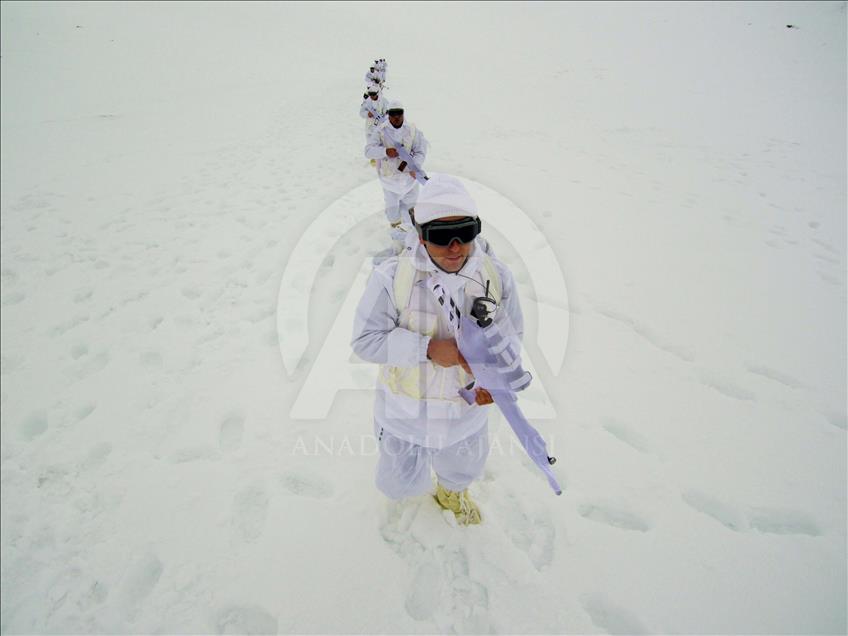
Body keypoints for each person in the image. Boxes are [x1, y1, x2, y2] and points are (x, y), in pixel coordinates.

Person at [351, 174, 524, 525]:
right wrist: (426, 348)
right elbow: (366, 339)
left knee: (462, 466)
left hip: (464, 414)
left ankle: (452, 491)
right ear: (420, 236)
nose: (455, 246)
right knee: (397, 482)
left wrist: (496, 377)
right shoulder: (392, 278)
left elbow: (512, 338)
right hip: (403, 413)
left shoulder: (496, 277)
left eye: (465, 232)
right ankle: (406, 496)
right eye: (441, 237)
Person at [364, 100, 428, 243]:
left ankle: (414, 240)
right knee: (393, 213)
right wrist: (385, 151)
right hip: (389, 182)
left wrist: (413, 165)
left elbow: (420, 151)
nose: (396, 116)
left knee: (412, 211)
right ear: (389, 115)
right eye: (393, 114)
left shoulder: (412, 130)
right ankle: (398, 241)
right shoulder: (380, 130)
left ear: (403, 114)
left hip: (410, 181)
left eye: (399, 113)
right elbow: (368, 151)